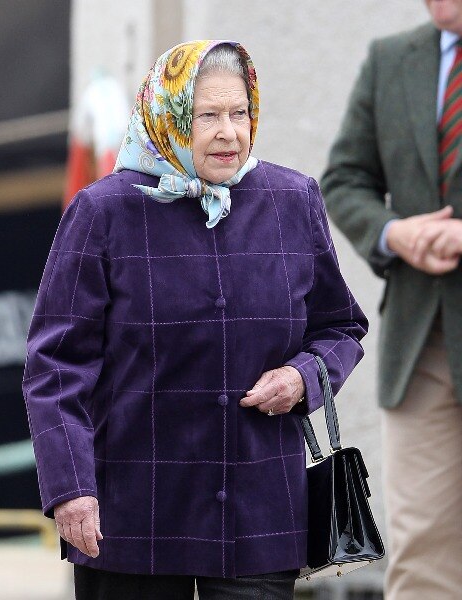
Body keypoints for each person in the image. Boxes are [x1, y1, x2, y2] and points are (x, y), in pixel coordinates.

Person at [23, 40, 367, 600]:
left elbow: (340, 327)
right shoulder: (102, 212)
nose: (228, 132)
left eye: (240, 113)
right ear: (168, 117)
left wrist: (304, 376)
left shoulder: (292, 200)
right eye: (206, 115)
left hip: (258, 513)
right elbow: (56, 365)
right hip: (131, 514)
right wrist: (70, 489)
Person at [321, 2, 462, 598]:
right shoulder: (390, 60)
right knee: (422, 549)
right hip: (421, 342)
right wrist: (392, 232)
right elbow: (345, 178)